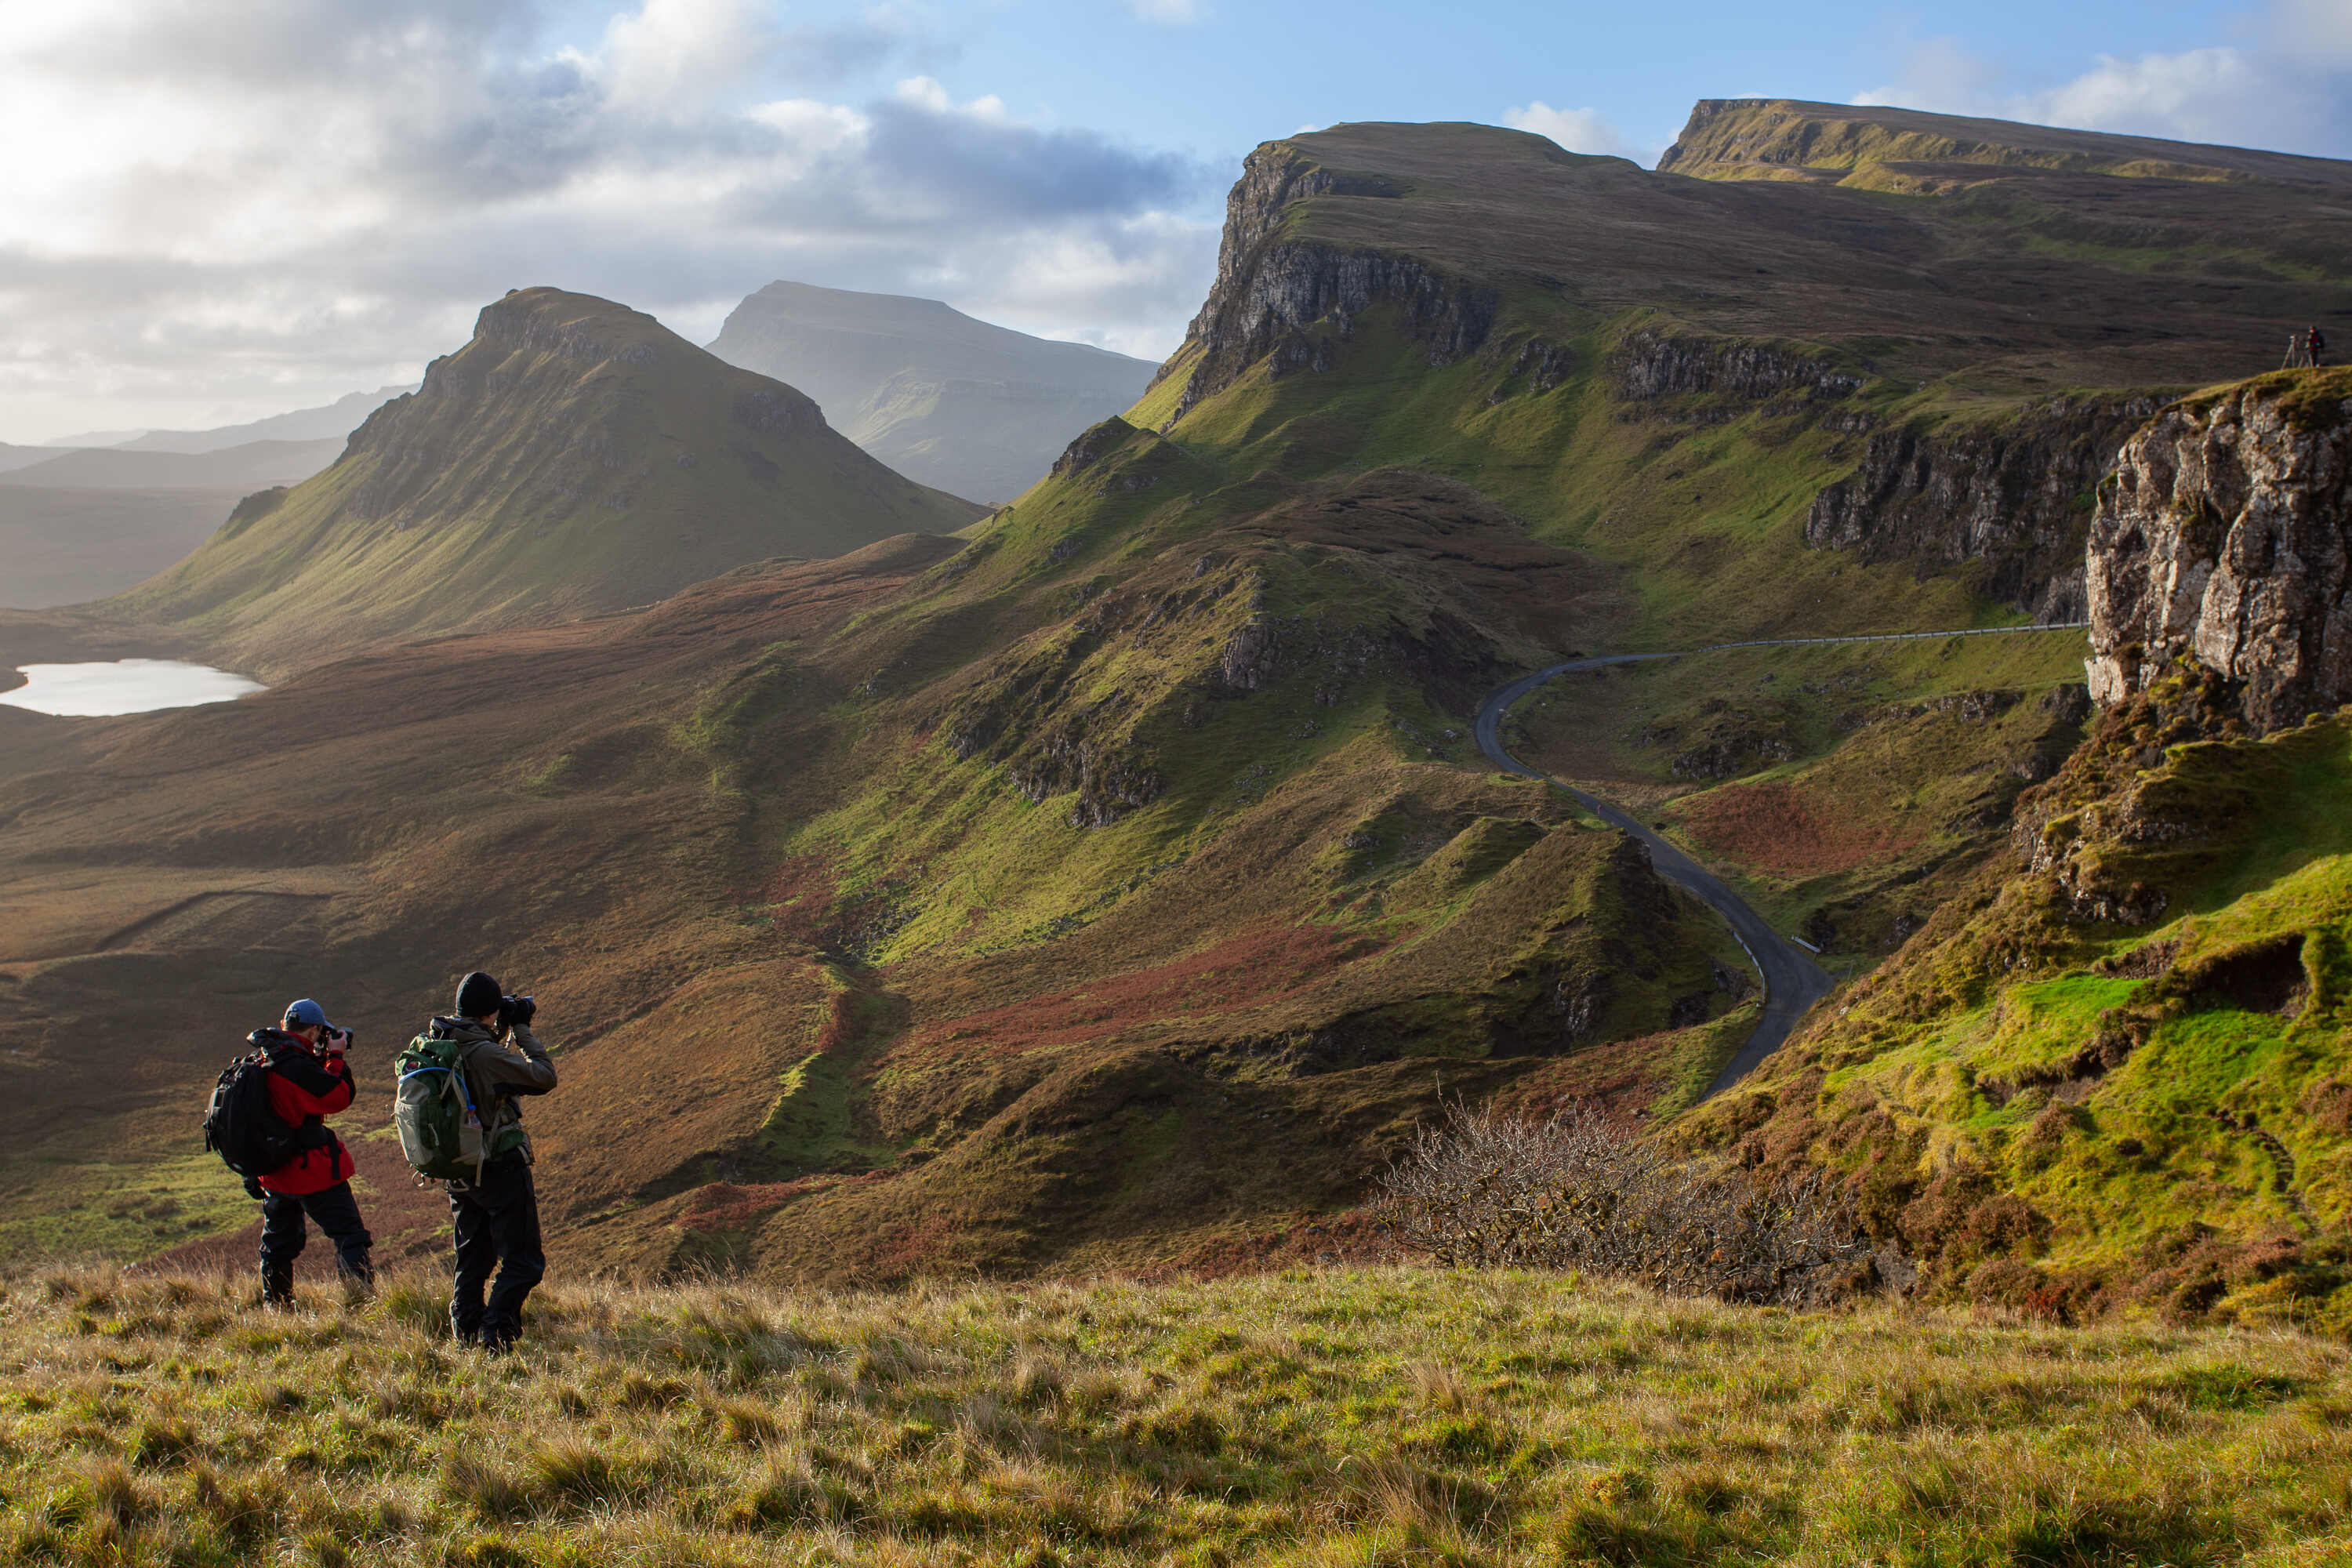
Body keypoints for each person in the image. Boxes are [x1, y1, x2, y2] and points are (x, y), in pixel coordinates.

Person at [425, 971, 558, 1350]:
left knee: (474, 1257)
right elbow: (543, 1077)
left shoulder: (442, 1040)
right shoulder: (483, 1053)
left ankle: (465, 1332)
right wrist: (521, 1029)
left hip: (458, 1168)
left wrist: (497, 1027)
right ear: (490, 1011)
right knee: (524, 1260)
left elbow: (479, 1055)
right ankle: (496, 1334)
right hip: (497, 1167)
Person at [252, 999, 372, 1306]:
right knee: (350, 1235)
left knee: (277, 1245)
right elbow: (337, 1096)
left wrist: (320, 1058)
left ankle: (276, 1307)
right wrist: (335, 1056)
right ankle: (360, 1306)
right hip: (309, 1172)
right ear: (315, 1029)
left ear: (284, 1026)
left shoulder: (267, 1057)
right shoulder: (295, 1065)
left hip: (273, 1172)